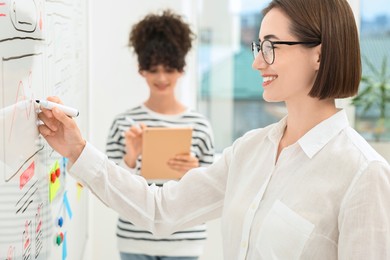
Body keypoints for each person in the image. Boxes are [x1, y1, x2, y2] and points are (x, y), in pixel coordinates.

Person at [37, 0, 390, 259]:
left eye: (271, 47)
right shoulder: (250, 150)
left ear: (318, 54)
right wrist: (77, 150)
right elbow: (160, 211)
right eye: (257, 46)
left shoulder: (363, 174)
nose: (256, 62)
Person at [105, 10, 215, 260]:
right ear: (141, 70)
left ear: (181, 69)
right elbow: (110, 191)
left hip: (185, 242)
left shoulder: (199, 126)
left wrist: (195, 172)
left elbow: (211, 195)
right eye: (153, 69)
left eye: (169, 68)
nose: (162, 78)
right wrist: (130, 158)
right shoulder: (123, 124)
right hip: (134, 240)